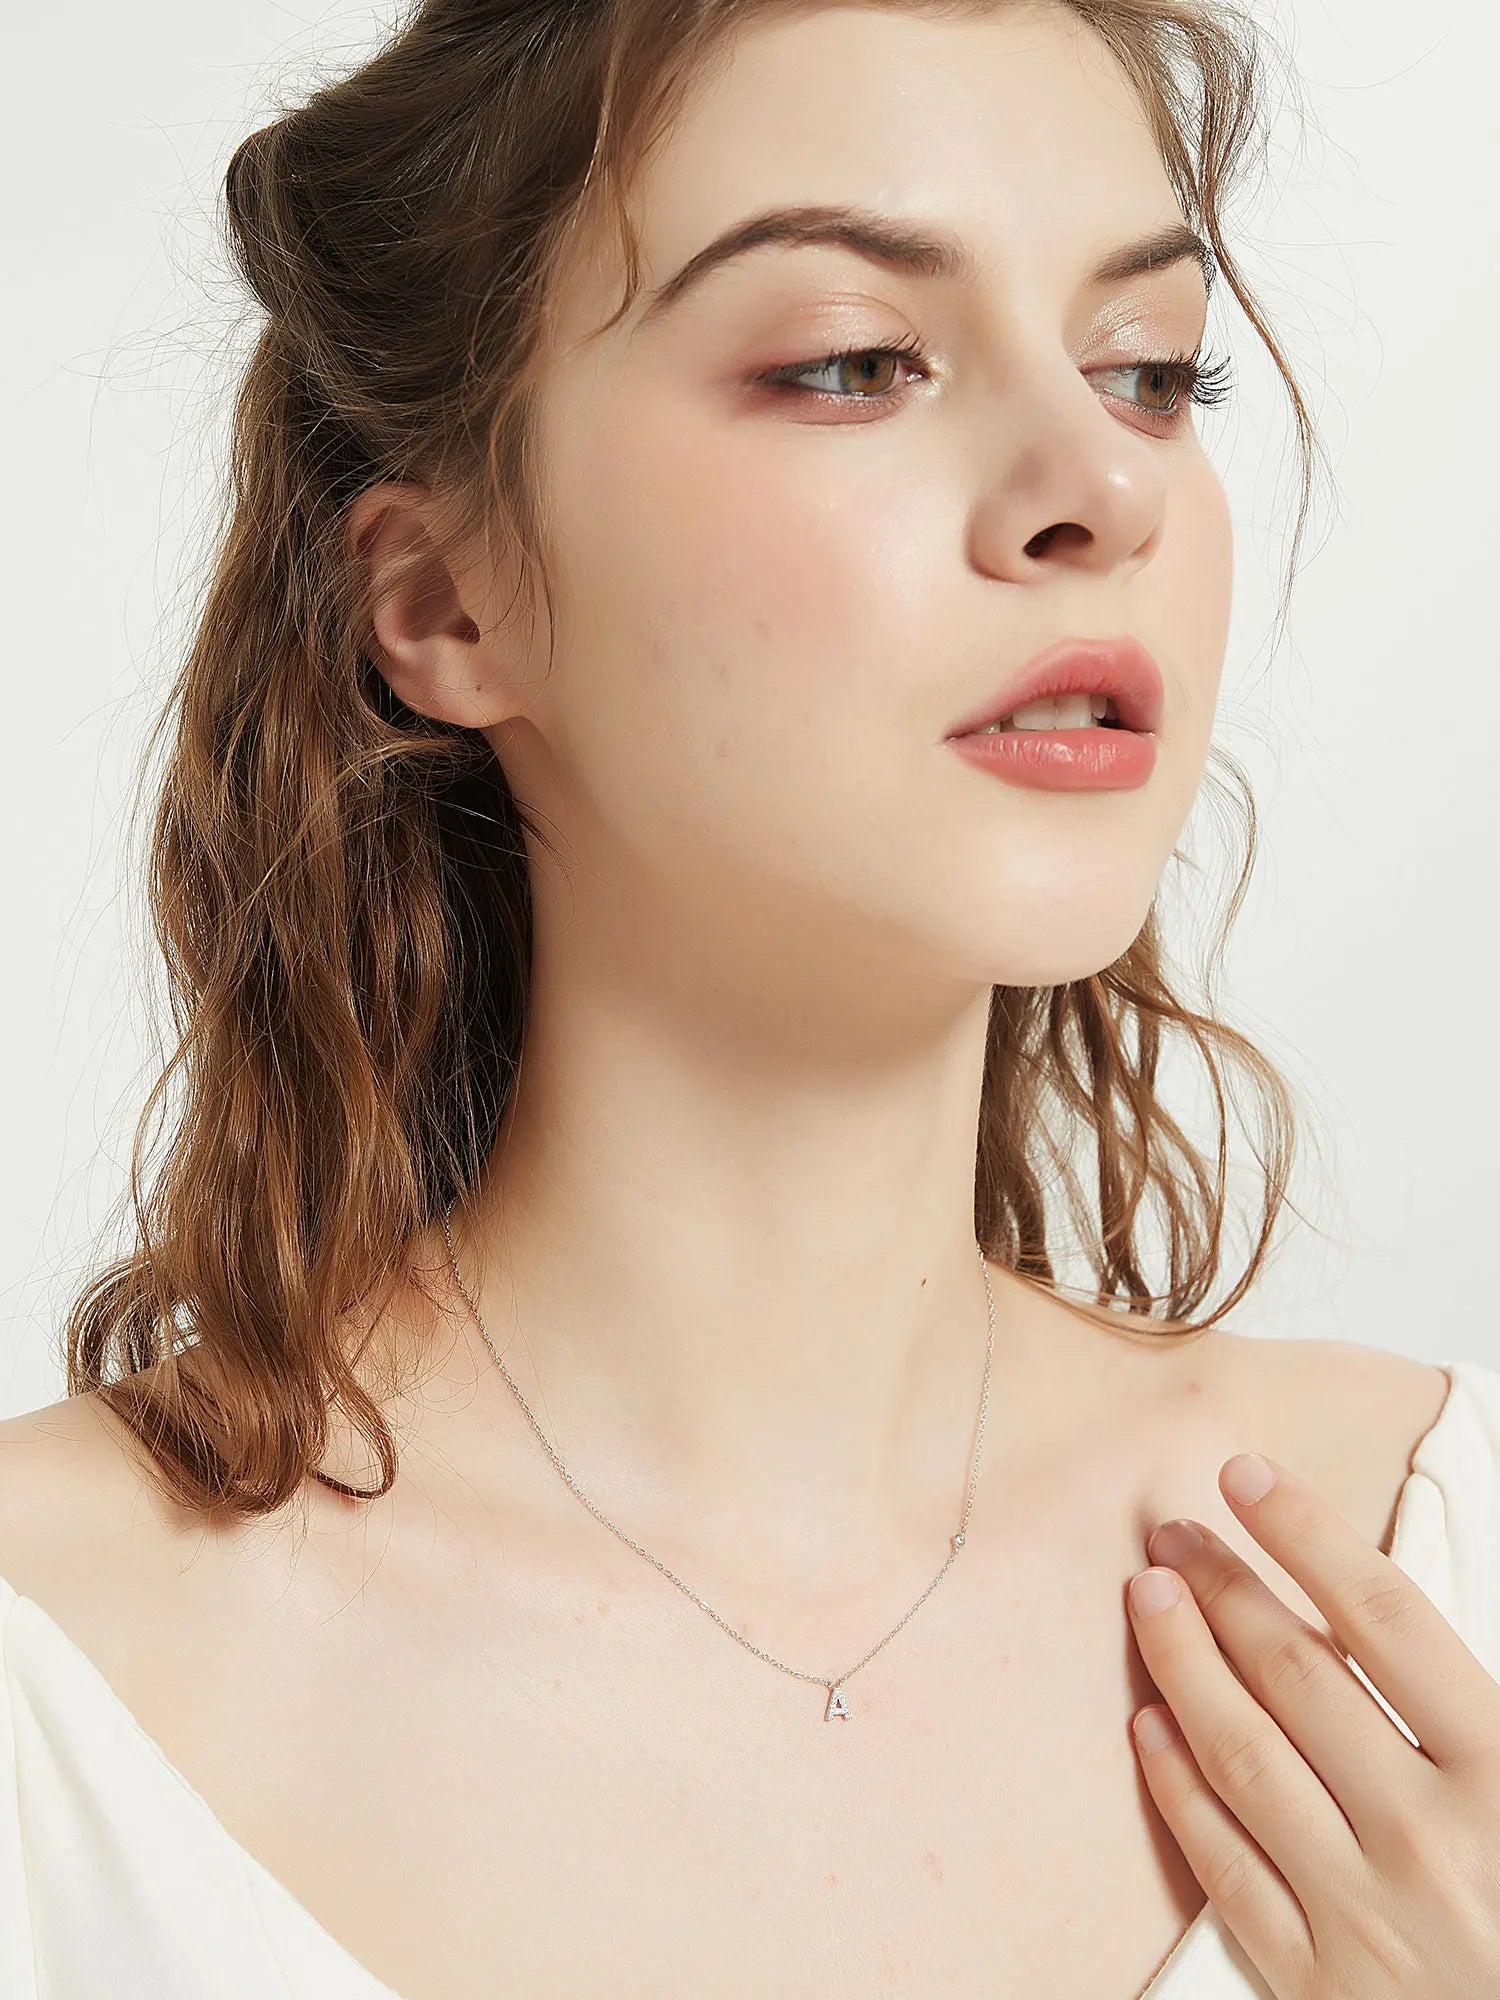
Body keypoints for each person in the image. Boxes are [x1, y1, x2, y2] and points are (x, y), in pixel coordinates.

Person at [2, 3, 1496, 1997]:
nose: (1100, 491)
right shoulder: (51, 1688)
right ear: (444, 601)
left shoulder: (1438, 1581)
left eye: (1152, 370)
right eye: (852, 364)